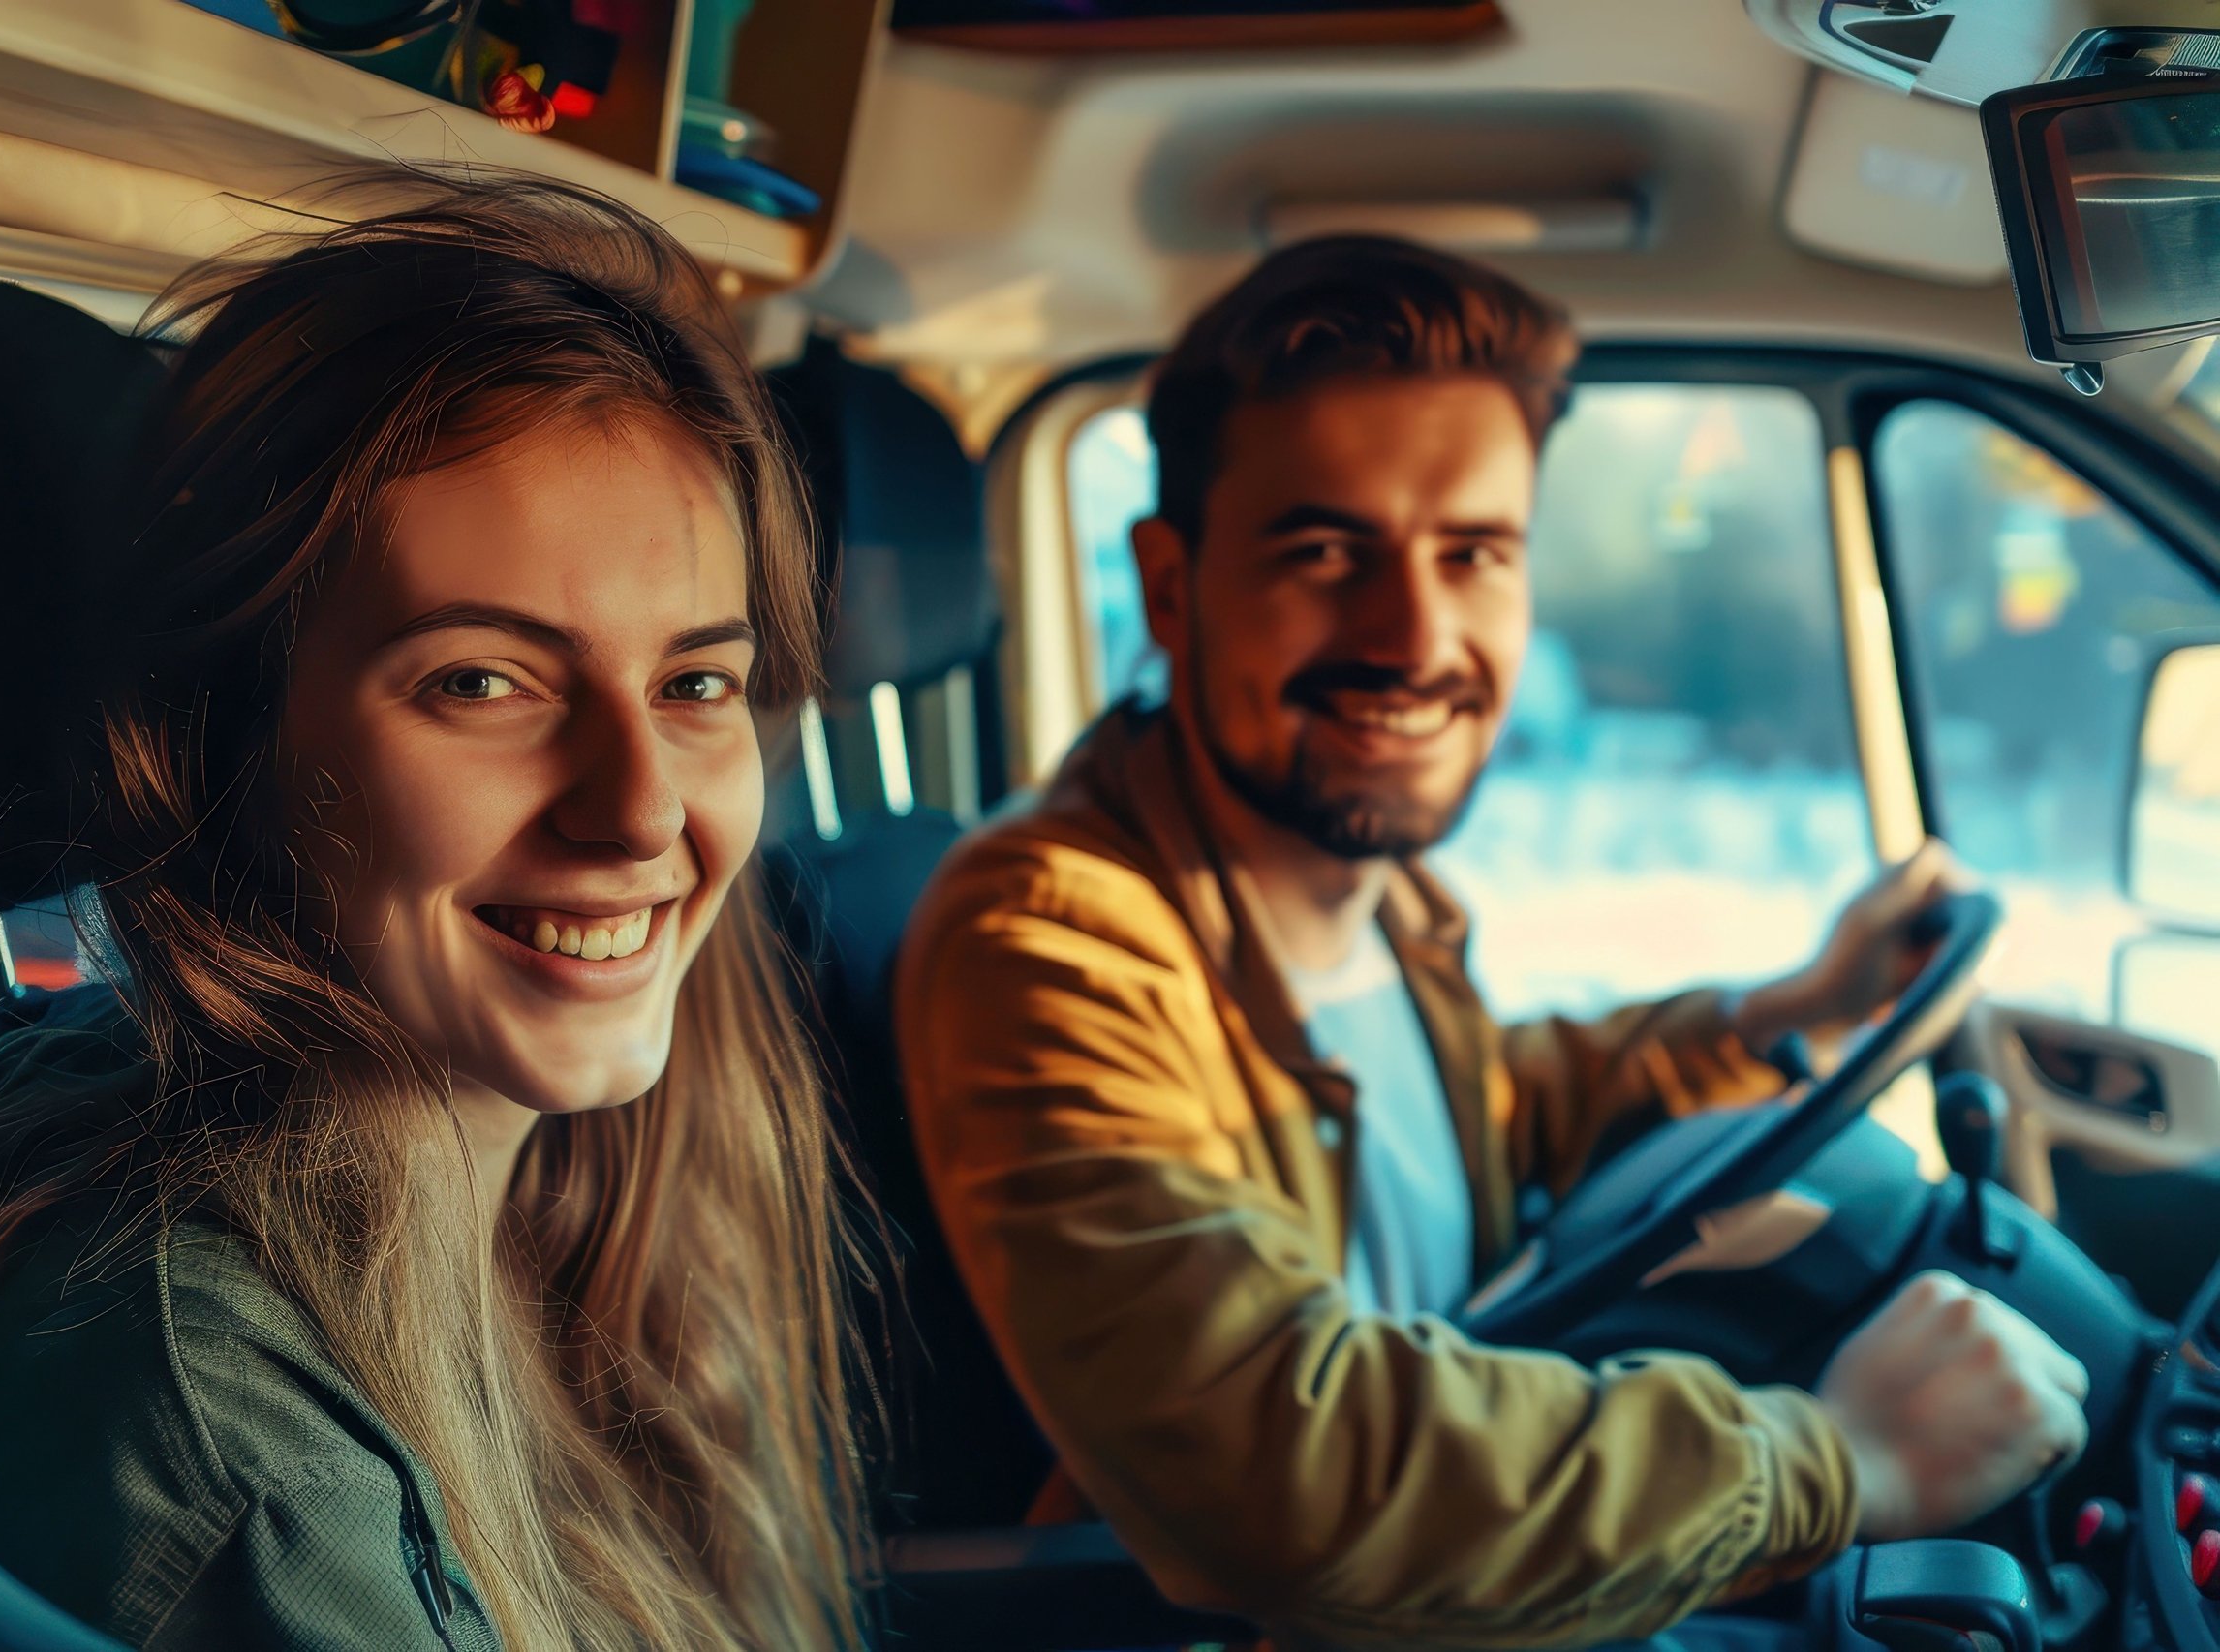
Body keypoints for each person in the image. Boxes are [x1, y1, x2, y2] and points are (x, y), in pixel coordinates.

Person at [894, 236, 2088, 1648]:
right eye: (1326, 551)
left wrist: (1796, 1008)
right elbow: (1271, 1454)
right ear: (1171, 587)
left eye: (1473, 553)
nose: (1415, 636)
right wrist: (1836, 1461)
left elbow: (1493, 1116)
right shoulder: (1050, 936)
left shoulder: (1371, 883)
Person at [0, 174, 871, 1652]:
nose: (644, 810)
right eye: (483, 681)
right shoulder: (220, 1429)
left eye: (694, 684)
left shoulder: (569, 1211)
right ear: (227, 736)